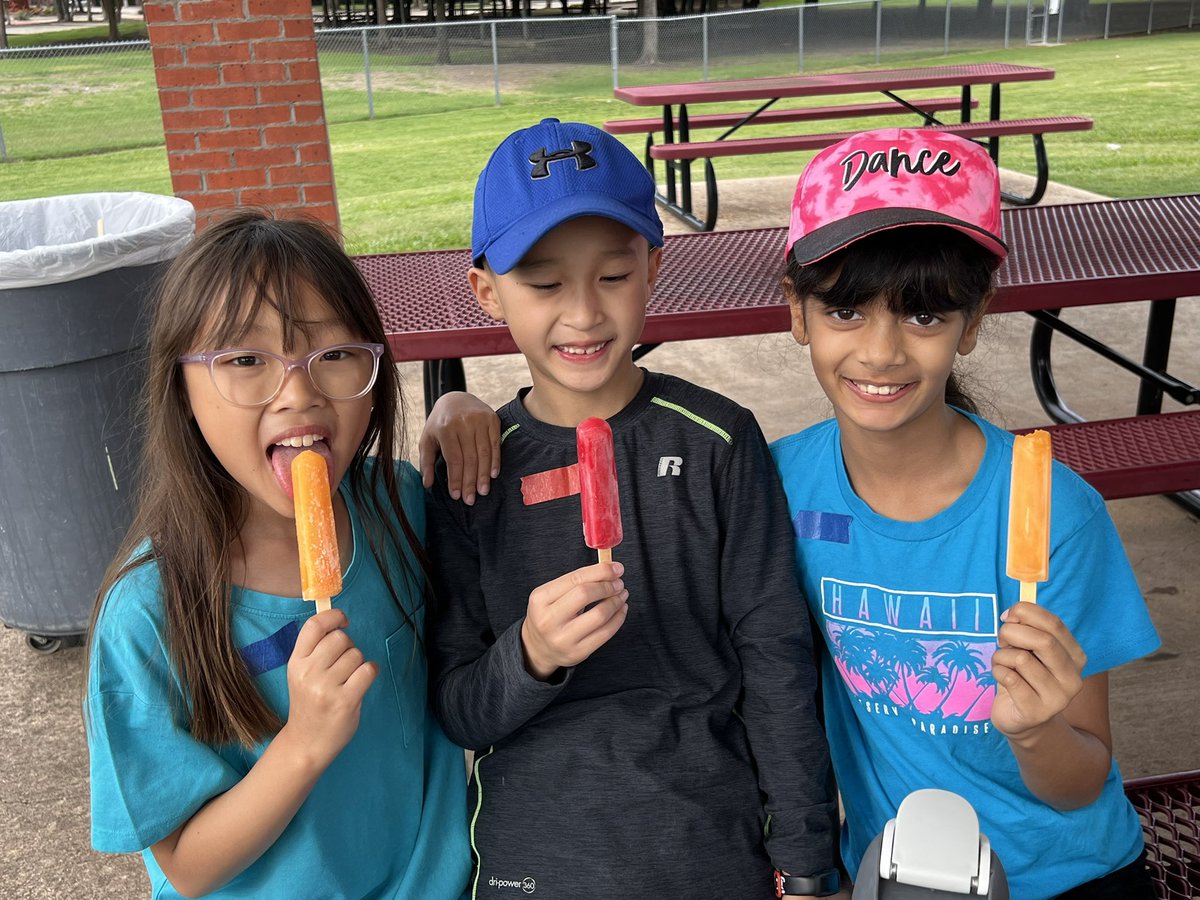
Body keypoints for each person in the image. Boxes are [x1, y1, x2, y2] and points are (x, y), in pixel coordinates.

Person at [424, 118, 840, 899]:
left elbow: (776, 661)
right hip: (537, 856)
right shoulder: (470, 474)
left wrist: (808, 862)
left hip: (707, 840)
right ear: (486, 291)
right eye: (544, 284)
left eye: (612, 276)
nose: (582, 314)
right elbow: (458, 712)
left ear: (653, 268)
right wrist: (532, 654)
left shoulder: (720, 441)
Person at [770, 128, 1160, 898]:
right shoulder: (780, 488)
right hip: (898, 874)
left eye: (923, 316)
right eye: (846, 311)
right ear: (798, 313)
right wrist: (454, 406)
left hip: (1067, 873)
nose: (881, 353)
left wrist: (1038, 731)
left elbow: (1080, 783)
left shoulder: (1055, 514)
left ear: (973, 322)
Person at [83, 211, 471, 899]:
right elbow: (187, 866)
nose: (299, 393)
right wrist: (303, 745)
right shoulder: (148, 617)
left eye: (336, 354)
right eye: (244, 361)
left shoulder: (402, 507)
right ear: (183, 393)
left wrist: (463, 412)